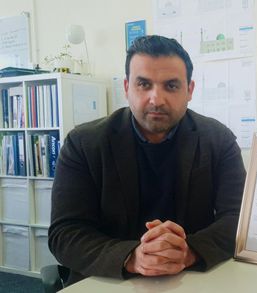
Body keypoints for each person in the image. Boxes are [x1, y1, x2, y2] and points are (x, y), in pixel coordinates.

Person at [48, 35, 246, 285]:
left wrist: (188, 252)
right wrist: (133, 257)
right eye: (144, 84)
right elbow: (64, 234)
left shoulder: (218, 140)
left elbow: (239, 219)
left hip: (193, 279)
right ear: (126, 88)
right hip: (108, 280)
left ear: (190, 90)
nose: (156, 99)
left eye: (171, 86)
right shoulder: (84, 143)